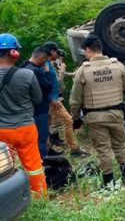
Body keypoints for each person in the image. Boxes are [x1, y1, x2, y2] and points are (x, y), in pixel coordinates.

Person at [70, 34, 125, 187]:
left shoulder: (83, 71)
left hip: (95, 117)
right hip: (116, 114)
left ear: (88, 50)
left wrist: (76, 119)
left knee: (103, 149)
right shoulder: (118, 66)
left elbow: (75, 100)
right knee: (120, 144)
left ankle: (109, 181)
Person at [0, 33, 48, 197]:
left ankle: (10, 201)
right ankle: (40, 198)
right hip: (25, 128)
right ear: (15, 53)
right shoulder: (27, 75)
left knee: (5, 170)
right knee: (34, 167)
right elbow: (38, 99)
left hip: (1, 132)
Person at [42, 41, 89, 158]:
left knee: (46, 124)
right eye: (57, 51)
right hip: (51, 99)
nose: (58, 54)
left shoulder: (46, 62)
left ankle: (47, 149)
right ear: (51, 51)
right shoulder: (45, 65)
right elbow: (54, 82)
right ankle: (74, 149)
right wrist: (62, 71)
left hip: (47, 99)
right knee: (68, 120)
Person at [21, 47, 53, 159]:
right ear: (40, 57)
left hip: (27, 109)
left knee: (32, 139)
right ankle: (43, 162)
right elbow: (48, 86)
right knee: (41, 138)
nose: (45, 63)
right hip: (40, 110)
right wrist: (47, 73)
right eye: (45, 60)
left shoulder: (23, 67)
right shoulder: (37, 71)